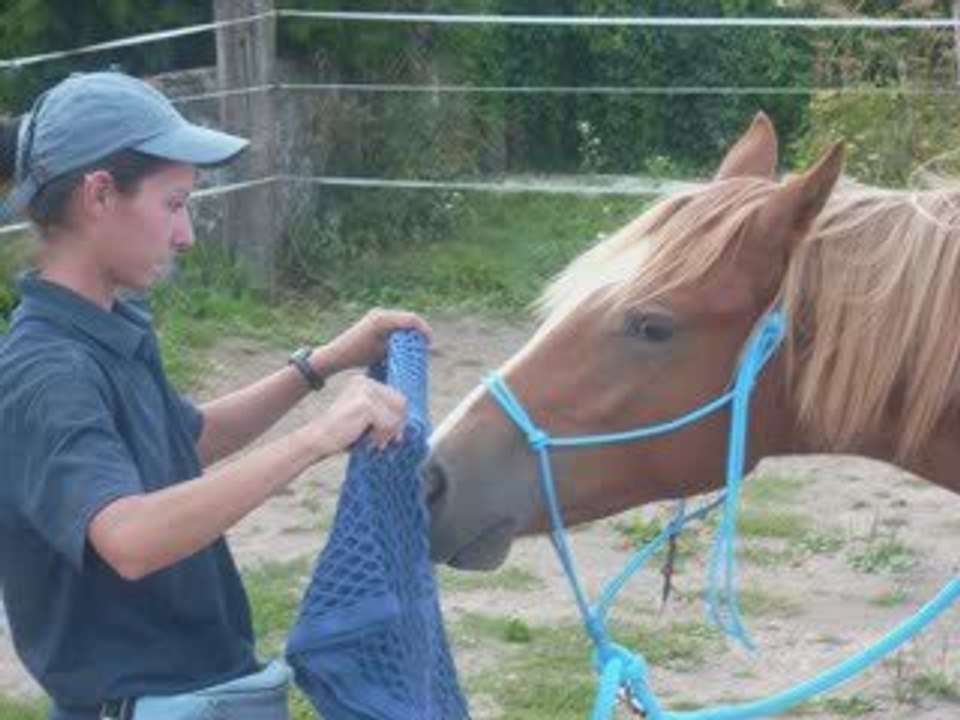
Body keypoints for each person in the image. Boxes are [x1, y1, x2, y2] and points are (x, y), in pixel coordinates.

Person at [0, 70, 431, 720]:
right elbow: (131, 536)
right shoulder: (47, 371)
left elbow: (189, 439)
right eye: (174, 204)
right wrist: (315, 440)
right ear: (98, 195)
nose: (187, 235)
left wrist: (323, 364)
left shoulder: (103, 328)